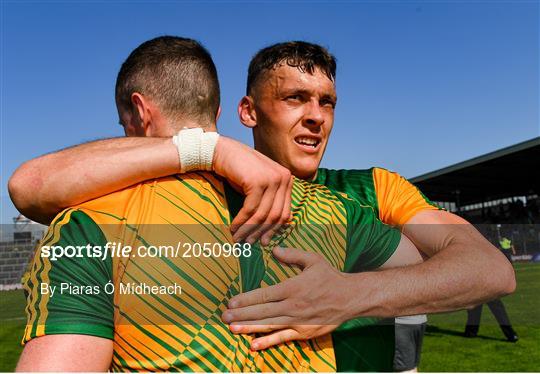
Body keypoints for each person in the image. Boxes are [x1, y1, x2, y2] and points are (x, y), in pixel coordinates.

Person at [9, 41, 516, 371]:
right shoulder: (145, 203)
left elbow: (486, 269)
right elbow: (31, 183)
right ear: (246, 113)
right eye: (296, 98)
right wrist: (210, 147)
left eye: (328, 102)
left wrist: (352, 295)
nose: (316, 117)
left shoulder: (366, 192)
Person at [463, 233, 518, 343]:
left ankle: (471, 332)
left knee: (476, 310)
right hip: (486, 287)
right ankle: (510, 334)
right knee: (496, 311)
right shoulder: (487, 253)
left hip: (481, 287)